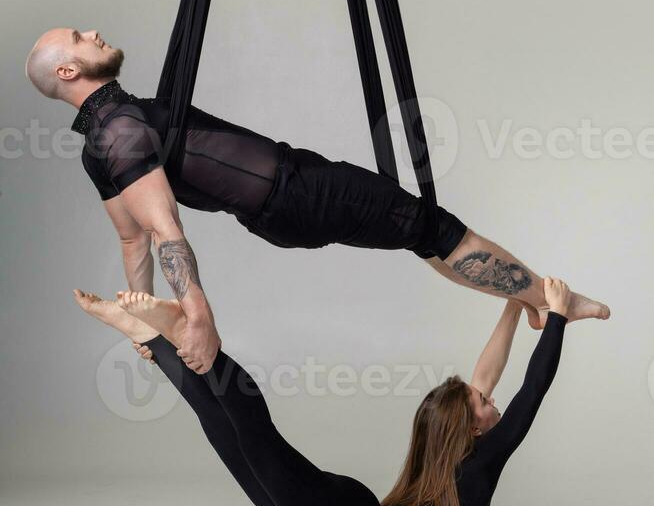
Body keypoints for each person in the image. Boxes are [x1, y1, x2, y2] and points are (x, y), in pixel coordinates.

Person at [26, 27, 610, 372]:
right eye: (79, 38)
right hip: (299, 192)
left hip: (282, 202)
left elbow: (130, 239)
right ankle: (555, 299)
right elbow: (162, 229)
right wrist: (198, 316)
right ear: (71, 68)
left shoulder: (97, 144)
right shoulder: (123, 128)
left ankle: (530, 299)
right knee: (432, 228)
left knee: (417, 232)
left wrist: (140, 317)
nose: (93, 32)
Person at [73, 277, 587, 506]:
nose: (491, 399)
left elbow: (486, 377)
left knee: (226, 429)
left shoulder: (461, 459)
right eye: (484, 402)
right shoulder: (479, 462)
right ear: (471, 428)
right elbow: (532, 388)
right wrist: (554, 315)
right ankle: (185, 333)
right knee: (250, 430)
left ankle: (153, 337)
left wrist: (517, 308)